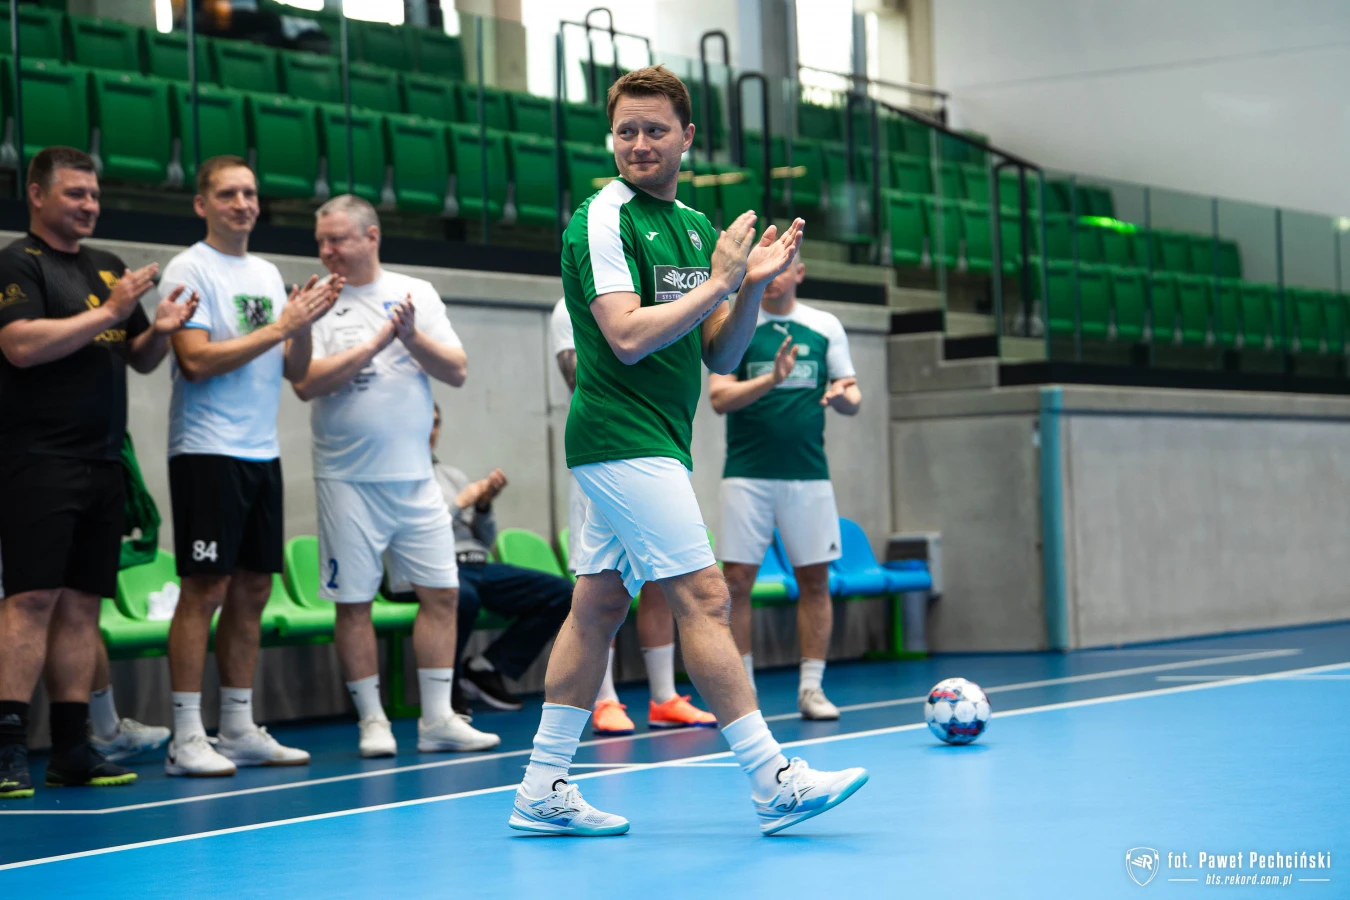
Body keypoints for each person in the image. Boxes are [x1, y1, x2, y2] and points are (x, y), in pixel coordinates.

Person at [509, 66, 866, 838]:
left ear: (687, 138)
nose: (639, 143)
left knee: (598, 606)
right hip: (618, 436)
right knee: (705, 598)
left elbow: (719, 353)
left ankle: (540, 787)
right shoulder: (601, 219)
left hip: (660, 438)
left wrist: (747, 289)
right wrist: (721, 282)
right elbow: (626, 336)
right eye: (626, 130)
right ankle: (773, 779)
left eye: (655, 129)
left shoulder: (699, 229)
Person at [0, 146, 197, 797]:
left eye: (94, 194)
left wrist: (160, 329)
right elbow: (19, 346)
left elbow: (136, 356)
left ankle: (72, 748)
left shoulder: (107, 266)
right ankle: (6, 750)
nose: (90, 205)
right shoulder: (17, 264)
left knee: (84, 606)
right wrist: (110, 313)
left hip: (104, 461)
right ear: (37, 195)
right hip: (38, 461)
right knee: (31, 600)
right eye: (75, 193)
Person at [294, 194, 498, 758]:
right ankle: (372, 720)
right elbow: (306, 382)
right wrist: (375, 345)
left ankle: (437, 718)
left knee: (443, 593)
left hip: (414, 479)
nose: (327, 251)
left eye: (338, 239)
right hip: (346, 480)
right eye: (321, 241)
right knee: (353, 601)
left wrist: (409, 337)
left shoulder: (416, 294)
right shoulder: (315, 301)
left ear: (372, 236)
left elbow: (456, 370)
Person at [160, 156, 339, 777]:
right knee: (204, 588)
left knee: (254, 588)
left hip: (261, 453)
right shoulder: (189, 269)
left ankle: (236, 727)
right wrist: (283, 325)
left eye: (250, 193)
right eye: (228, 194)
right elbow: (195, 361)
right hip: (206, 451)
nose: (243, 204)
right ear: (202, 204)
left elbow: (295, 371)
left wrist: (303, 327)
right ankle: (186, 736)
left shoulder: (264, 273)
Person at [550, 298, 715, 735]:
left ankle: (664, 697)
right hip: (606, 453)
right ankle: (604, 700)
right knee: (597, 584)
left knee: (664, 577)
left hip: (659, 450)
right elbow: (581, 374)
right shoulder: (570, 307)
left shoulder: (662, 296)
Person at [708, 252, 862, 720]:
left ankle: (811, 690)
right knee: (737, 582)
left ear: (799, 273)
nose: (773, 278)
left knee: (814, 579)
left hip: (808, 476)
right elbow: (719, 397)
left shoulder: (824, 326)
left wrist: (842, 398)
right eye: (766, 269)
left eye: (782, 269)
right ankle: (744, 693)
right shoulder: (736, 321)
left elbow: (852, 393)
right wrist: (771, 379)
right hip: (746, 475)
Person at [416, 405, 572, 713]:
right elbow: (418, 538)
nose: (431, 430)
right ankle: (447, 689)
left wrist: (483, 506)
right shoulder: (400, 479)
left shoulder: (452, 475)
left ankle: (486, 666)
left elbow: (484, 541)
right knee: (463, 598)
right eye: (425, 422)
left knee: (563, 593)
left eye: (436, 423)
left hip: (477, 563)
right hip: (434, 566)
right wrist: (460, 503)